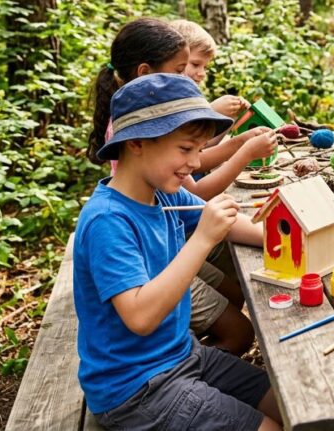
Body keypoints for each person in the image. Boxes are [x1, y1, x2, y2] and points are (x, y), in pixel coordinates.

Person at [73, 73, 282, 430]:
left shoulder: (164, 191)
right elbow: (140, 318)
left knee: (290, 407)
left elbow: (236, 226)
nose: (196, 164)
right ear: (137, 142)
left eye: (199, 151)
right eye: (186, 149)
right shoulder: (108, 221)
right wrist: (202, 240)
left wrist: (292, 236)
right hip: (135, 389)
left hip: (184, 356)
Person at [87, 18, 274, 354]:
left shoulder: (156, 183)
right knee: (237, 332)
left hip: (166, 254)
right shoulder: (112, 215)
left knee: (235, 295)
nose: (192, 74)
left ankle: (192, 357)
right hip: (153, 303)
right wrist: (204, 236)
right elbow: (139, 316)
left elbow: (198, 194)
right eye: (182, 68)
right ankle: (190, 360)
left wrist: (285, 236)